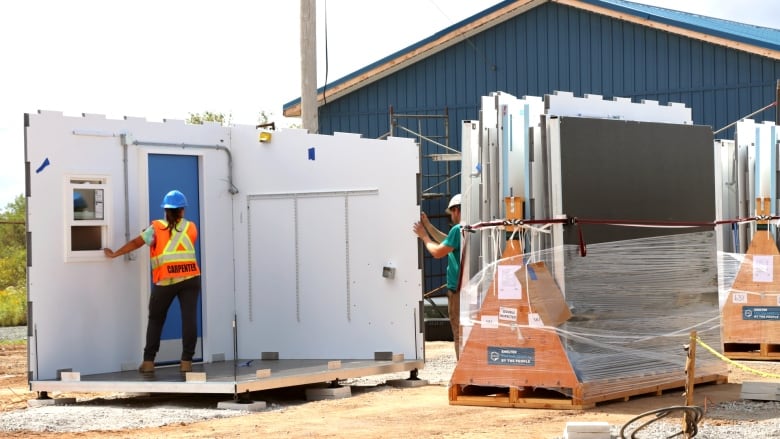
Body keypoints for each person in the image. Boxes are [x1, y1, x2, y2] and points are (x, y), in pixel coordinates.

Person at [104, 189, 201, 374]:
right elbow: (179, 239)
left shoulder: (155, 229)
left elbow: (135, 243)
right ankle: (186, 362)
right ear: (182, 210)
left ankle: (148, 362)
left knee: (156, 320)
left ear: (166, 210)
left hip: (165, 282)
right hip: (190, 279)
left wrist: (115, 254)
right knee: (189, 319)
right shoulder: (191, 227)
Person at [413, 194, 463, 359]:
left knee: (458, 333)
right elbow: (446, 241)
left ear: (456, 210)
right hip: (464, 288)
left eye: (451, 212)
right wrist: (427, 225)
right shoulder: (466, 228)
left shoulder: (458, 229)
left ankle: (461, 374)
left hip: (457, 290)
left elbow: (437, 251)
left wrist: (424, 236)